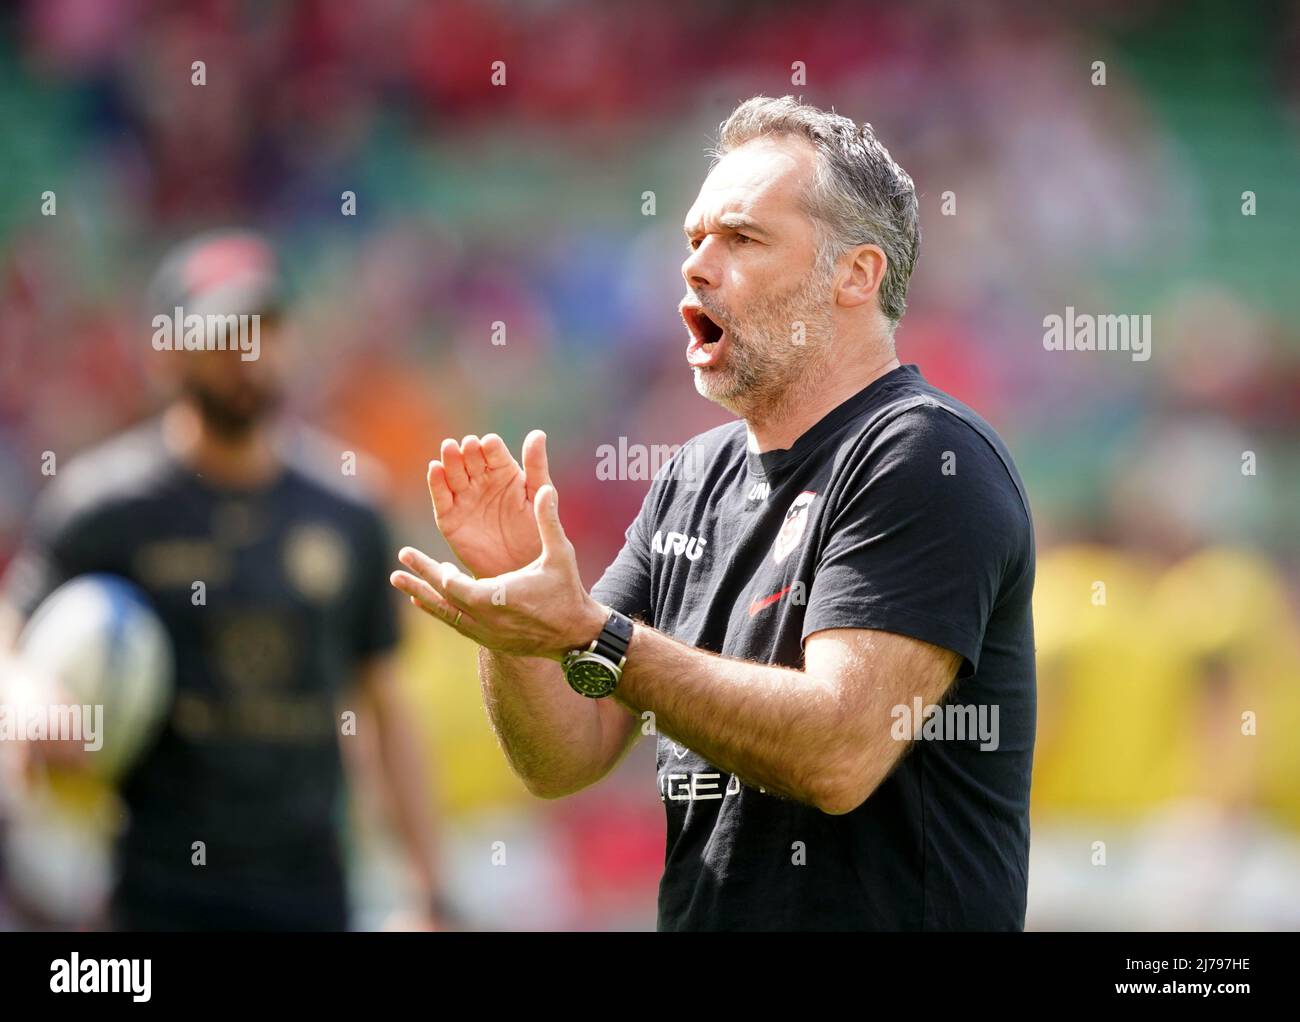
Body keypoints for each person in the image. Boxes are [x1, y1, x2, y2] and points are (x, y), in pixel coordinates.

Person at [391, 96, 1037, 931]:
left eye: (742, 238)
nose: (696, 266)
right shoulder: (691, 476)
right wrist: (515, 616)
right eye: (694, 239)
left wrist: (592, 636)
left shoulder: (924, 460)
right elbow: (565, 753)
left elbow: (838, 752)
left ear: (856, 274)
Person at [0, 230, 451, 931]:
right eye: (224, 333)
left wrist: (428, 892)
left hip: (310, 898)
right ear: (168, 353)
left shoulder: (348, 509)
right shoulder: (104, 506)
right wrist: (28, 694)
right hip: (154, 901)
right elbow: (12, 630)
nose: (248, 355)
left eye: (266, 329)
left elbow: (385, 709)